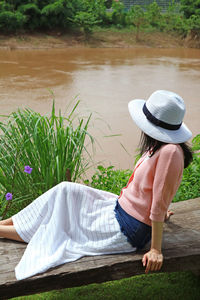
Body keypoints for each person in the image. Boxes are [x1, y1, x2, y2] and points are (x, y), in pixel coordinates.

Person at [0, 90, 193, 280]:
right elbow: (157, 193)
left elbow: (159, 200)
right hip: (120, 208)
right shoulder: (160, 145)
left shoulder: (170, 152)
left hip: (129, 227)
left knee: (62, 229)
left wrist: (155, 249)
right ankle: (3, 224)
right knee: (65, 190)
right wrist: (159, 213)